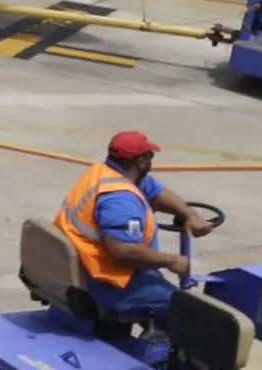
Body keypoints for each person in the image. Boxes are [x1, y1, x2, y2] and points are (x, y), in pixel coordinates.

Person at [56, 130, 216, 325]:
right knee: (186, 311)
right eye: (150, 156)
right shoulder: (120, 200)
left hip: (81, 265)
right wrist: (172, 261)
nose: (152, 161)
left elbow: (155, 191)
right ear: (140, 162)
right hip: (107, 282)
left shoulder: (102, 172)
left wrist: (189, 215)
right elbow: (125, 251)